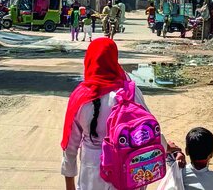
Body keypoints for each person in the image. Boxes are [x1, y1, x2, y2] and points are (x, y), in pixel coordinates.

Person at [61, 38, 176, 190]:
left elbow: (70, 147)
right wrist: (165, 147)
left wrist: (69, 185)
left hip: (91, 173)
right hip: (126, 170)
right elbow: (147, 128)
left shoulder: (80, 97)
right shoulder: (129, 92)